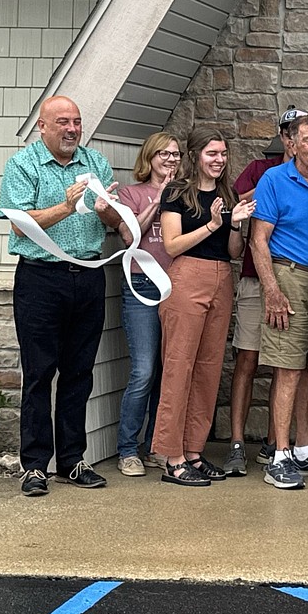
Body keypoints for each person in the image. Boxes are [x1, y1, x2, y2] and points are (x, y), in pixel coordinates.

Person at [0, 96, 122, 496]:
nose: (72, 129)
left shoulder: (95, 162)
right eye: (63, 122)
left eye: (77, 122)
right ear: (43, 126)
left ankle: (72, 460)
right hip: (40, 280)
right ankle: (35, 466)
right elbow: (20, 225)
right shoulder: (23, 165)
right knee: (39, 374)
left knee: (79, 372)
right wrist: (67, 207)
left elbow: (114, 221)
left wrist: (105, 210)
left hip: (87, 277)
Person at [152, 128, 254, 487]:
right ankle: (172, 456)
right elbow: (172, 244)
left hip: (221, 278)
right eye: (212, 153)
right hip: (186, 277)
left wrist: (236, 224)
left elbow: (233, 252)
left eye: (224, 154)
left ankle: (194, 451)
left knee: (209, 368)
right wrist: (212, 224)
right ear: (195, 156)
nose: (219, 160)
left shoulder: (227, 193)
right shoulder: (177, 192)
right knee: (179, 366)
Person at [252, 114, 308, 490]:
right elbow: (259, 240)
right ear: (292, 143)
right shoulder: (274, 179)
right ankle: (279, 455)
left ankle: (305, 449)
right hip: (287, 276)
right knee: (287, 368)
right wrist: (272, 290)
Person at [223, 106, 305, 476]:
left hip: (294, 284)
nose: (293, 139)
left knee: (283, 367)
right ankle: (237, 443)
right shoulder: (261, 170)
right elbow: (237, 203)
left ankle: (275, 444)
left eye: (299, 132)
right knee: (247, 361)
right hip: (257, 279)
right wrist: (276, 179)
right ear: (284, 138)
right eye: (289, 133)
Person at [114, 132, 179, 477]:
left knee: (167, 371)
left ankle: (155, 444)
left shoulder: (184, 193)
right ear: (149, 157)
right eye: (164, 154)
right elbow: (130, 236)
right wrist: (158, 201)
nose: (171, 160)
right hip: (142, 284)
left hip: (176, 288)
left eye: (176, 155)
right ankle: (127, 448)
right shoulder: (131, 193)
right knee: (143, 371)